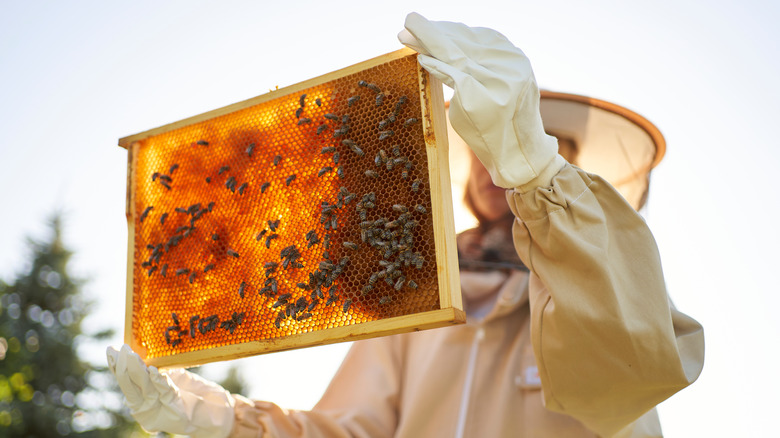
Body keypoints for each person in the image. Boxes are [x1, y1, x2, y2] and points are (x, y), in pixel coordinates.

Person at [107, 13, 704, 438]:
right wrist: (218, 420)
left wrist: (538, 177)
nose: (496, 168)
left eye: (517, 146)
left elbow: (634, 372)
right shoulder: (415, 312)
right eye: (486, 150)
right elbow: (349, 431)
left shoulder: (605, 291)